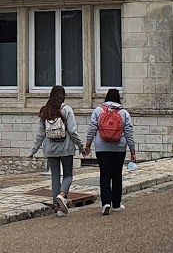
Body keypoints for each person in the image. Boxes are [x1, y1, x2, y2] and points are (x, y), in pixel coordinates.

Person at [29, 85, 82, 216]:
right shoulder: (67, 109)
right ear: (63, 96)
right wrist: (81, 146)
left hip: (50, 148)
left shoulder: (45, 111)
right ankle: (62, 195)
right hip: (66, 148)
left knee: (55, 176)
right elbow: (73, 131)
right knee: (68, 175)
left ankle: (57, 207)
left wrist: (33, 150)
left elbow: (40, 134)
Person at [82, 88, 136, 215]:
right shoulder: (124, 113)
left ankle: (106, 202)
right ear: (118, 98)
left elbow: (92, 129)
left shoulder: (98, 110)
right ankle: (116, 204)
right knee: (117, 175)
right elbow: (129, 133)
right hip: (119, 148)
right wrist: (132, 150)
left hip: (102, 147)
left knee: (104, 174)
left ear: (106, 97)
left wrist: (88, 144)